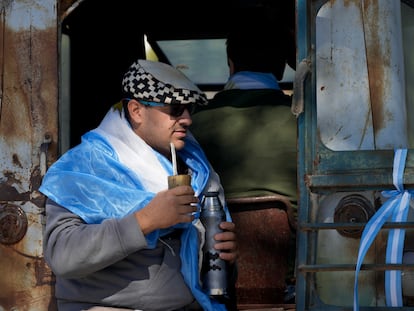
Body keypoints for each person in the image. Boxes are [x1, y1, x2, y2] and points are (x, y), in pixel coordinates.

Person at [39, 59, 238, 311]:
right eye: (175, 109)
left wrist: (228, 261)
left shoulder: (196, 166)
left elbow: (208, 264)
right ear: (136, 111)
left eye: (190, 110)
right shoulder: (85, 167)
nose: (187, 119)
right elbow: (63, 256)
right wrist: (144, 221)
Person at [190, 13, 298, 304]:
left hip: (209, 280)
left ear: (231, 64)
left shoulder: (188, 128)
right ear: (280, 67)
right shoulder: (309, 126)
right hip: (293, 281)